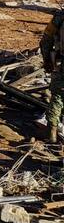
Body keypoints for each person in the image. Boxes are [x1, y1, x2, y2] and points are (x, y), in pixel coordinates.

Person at [40, 8, 64, 141]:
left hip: (62, 64)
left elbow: (46, 40)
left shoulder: (60, 16)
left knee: (58, 96)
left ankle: (52, 133)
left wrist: (47, 60)